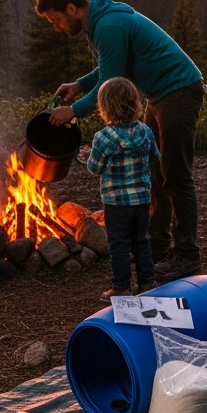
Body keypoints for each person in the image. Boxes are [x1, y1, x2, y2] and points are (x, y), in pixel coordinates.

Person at [36, 0, 205, 280]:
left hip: (178, 91)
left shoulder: (109, 26)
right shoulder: (101, 22)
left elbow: (108, 84)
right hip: (160, 94)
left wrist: (71, 111)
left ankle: (187, 257)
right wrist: (78, 84)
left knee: (176, 176)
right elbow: (108, 67)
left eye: (56, 19)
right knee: (155, 172)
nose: (57, 27)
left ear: (71, 8)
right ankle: (158, 244)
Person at [81, 77, 161, 301]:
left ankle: (121, 289)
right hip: (142, 199)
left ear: (105, 108)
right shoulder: (145, 131)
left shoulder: (104, 137)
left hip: (116, 203)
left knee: (118, 245)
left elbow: (94, 168)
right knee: (141, 241)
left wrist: (88, 156)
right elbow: (154, 156)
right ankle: (147, 283)